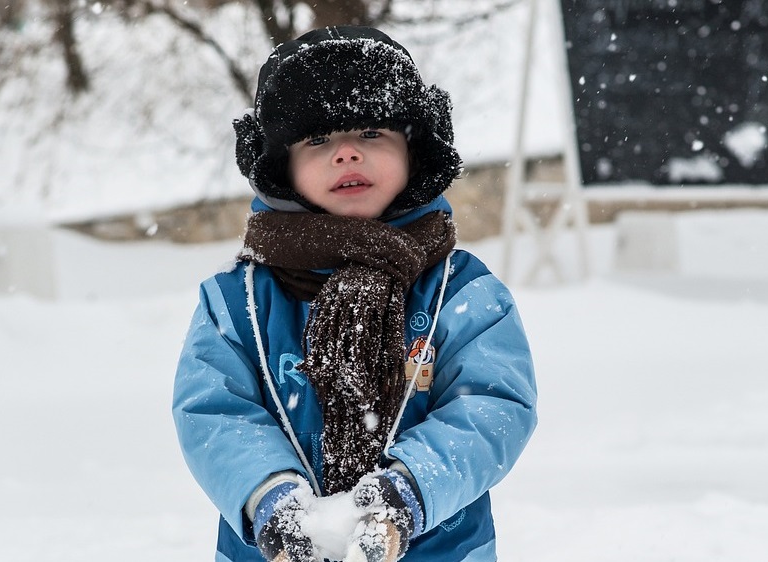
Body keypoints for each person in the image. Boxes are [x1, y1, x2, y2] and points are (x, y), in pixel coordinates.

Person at [173, 25, 537, 562]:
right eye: (317, 140)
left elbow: (491, 408)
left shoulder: (463, 292)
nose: (346, 153)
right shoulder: (237, 303)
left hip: (439, 549)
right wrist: (271, 498)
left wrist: (406, 491)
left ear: (414, 151)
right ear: (281, 166)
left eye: (371, 132)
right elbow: (215, 412)